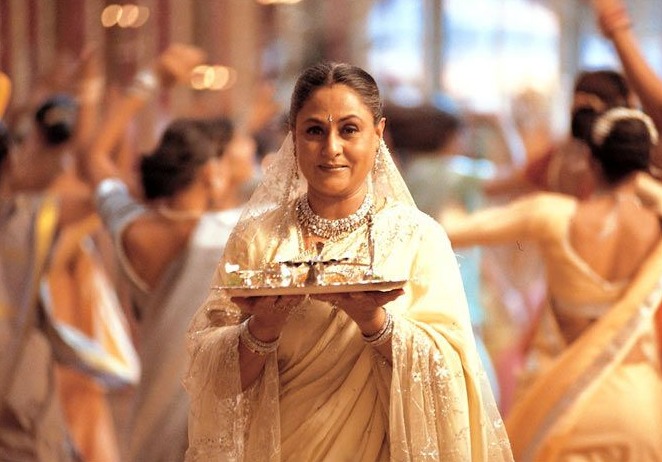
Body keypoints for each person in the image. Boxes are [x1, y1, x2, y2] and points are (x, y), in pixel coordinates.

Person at [184, 61, 513, 461]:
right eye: (314, 131)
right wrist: (262, 328)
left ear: (378, 133)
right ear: (293, 136)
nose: (331, 148)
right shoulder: (258, 239)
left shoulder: (417, 238)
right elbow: (214, 379)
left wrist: (375, 323)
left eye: (349, 129)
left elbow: (453, 373)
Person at [446, 107, 662, 461]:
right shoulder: (656, 225)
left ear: (590, 161)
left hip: (560, 402)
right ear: (645, 165)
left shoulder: (553, 215)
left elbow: (450, 232)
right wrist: (639, 174)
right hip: (637, 404)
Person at [83, 42, 242, 462]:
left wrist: (149, 80)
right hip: (211, 415)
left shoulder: (131, 226)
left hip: (150, 413)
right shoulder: (230, 233)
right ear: (210, 173)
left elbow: (94, 156)